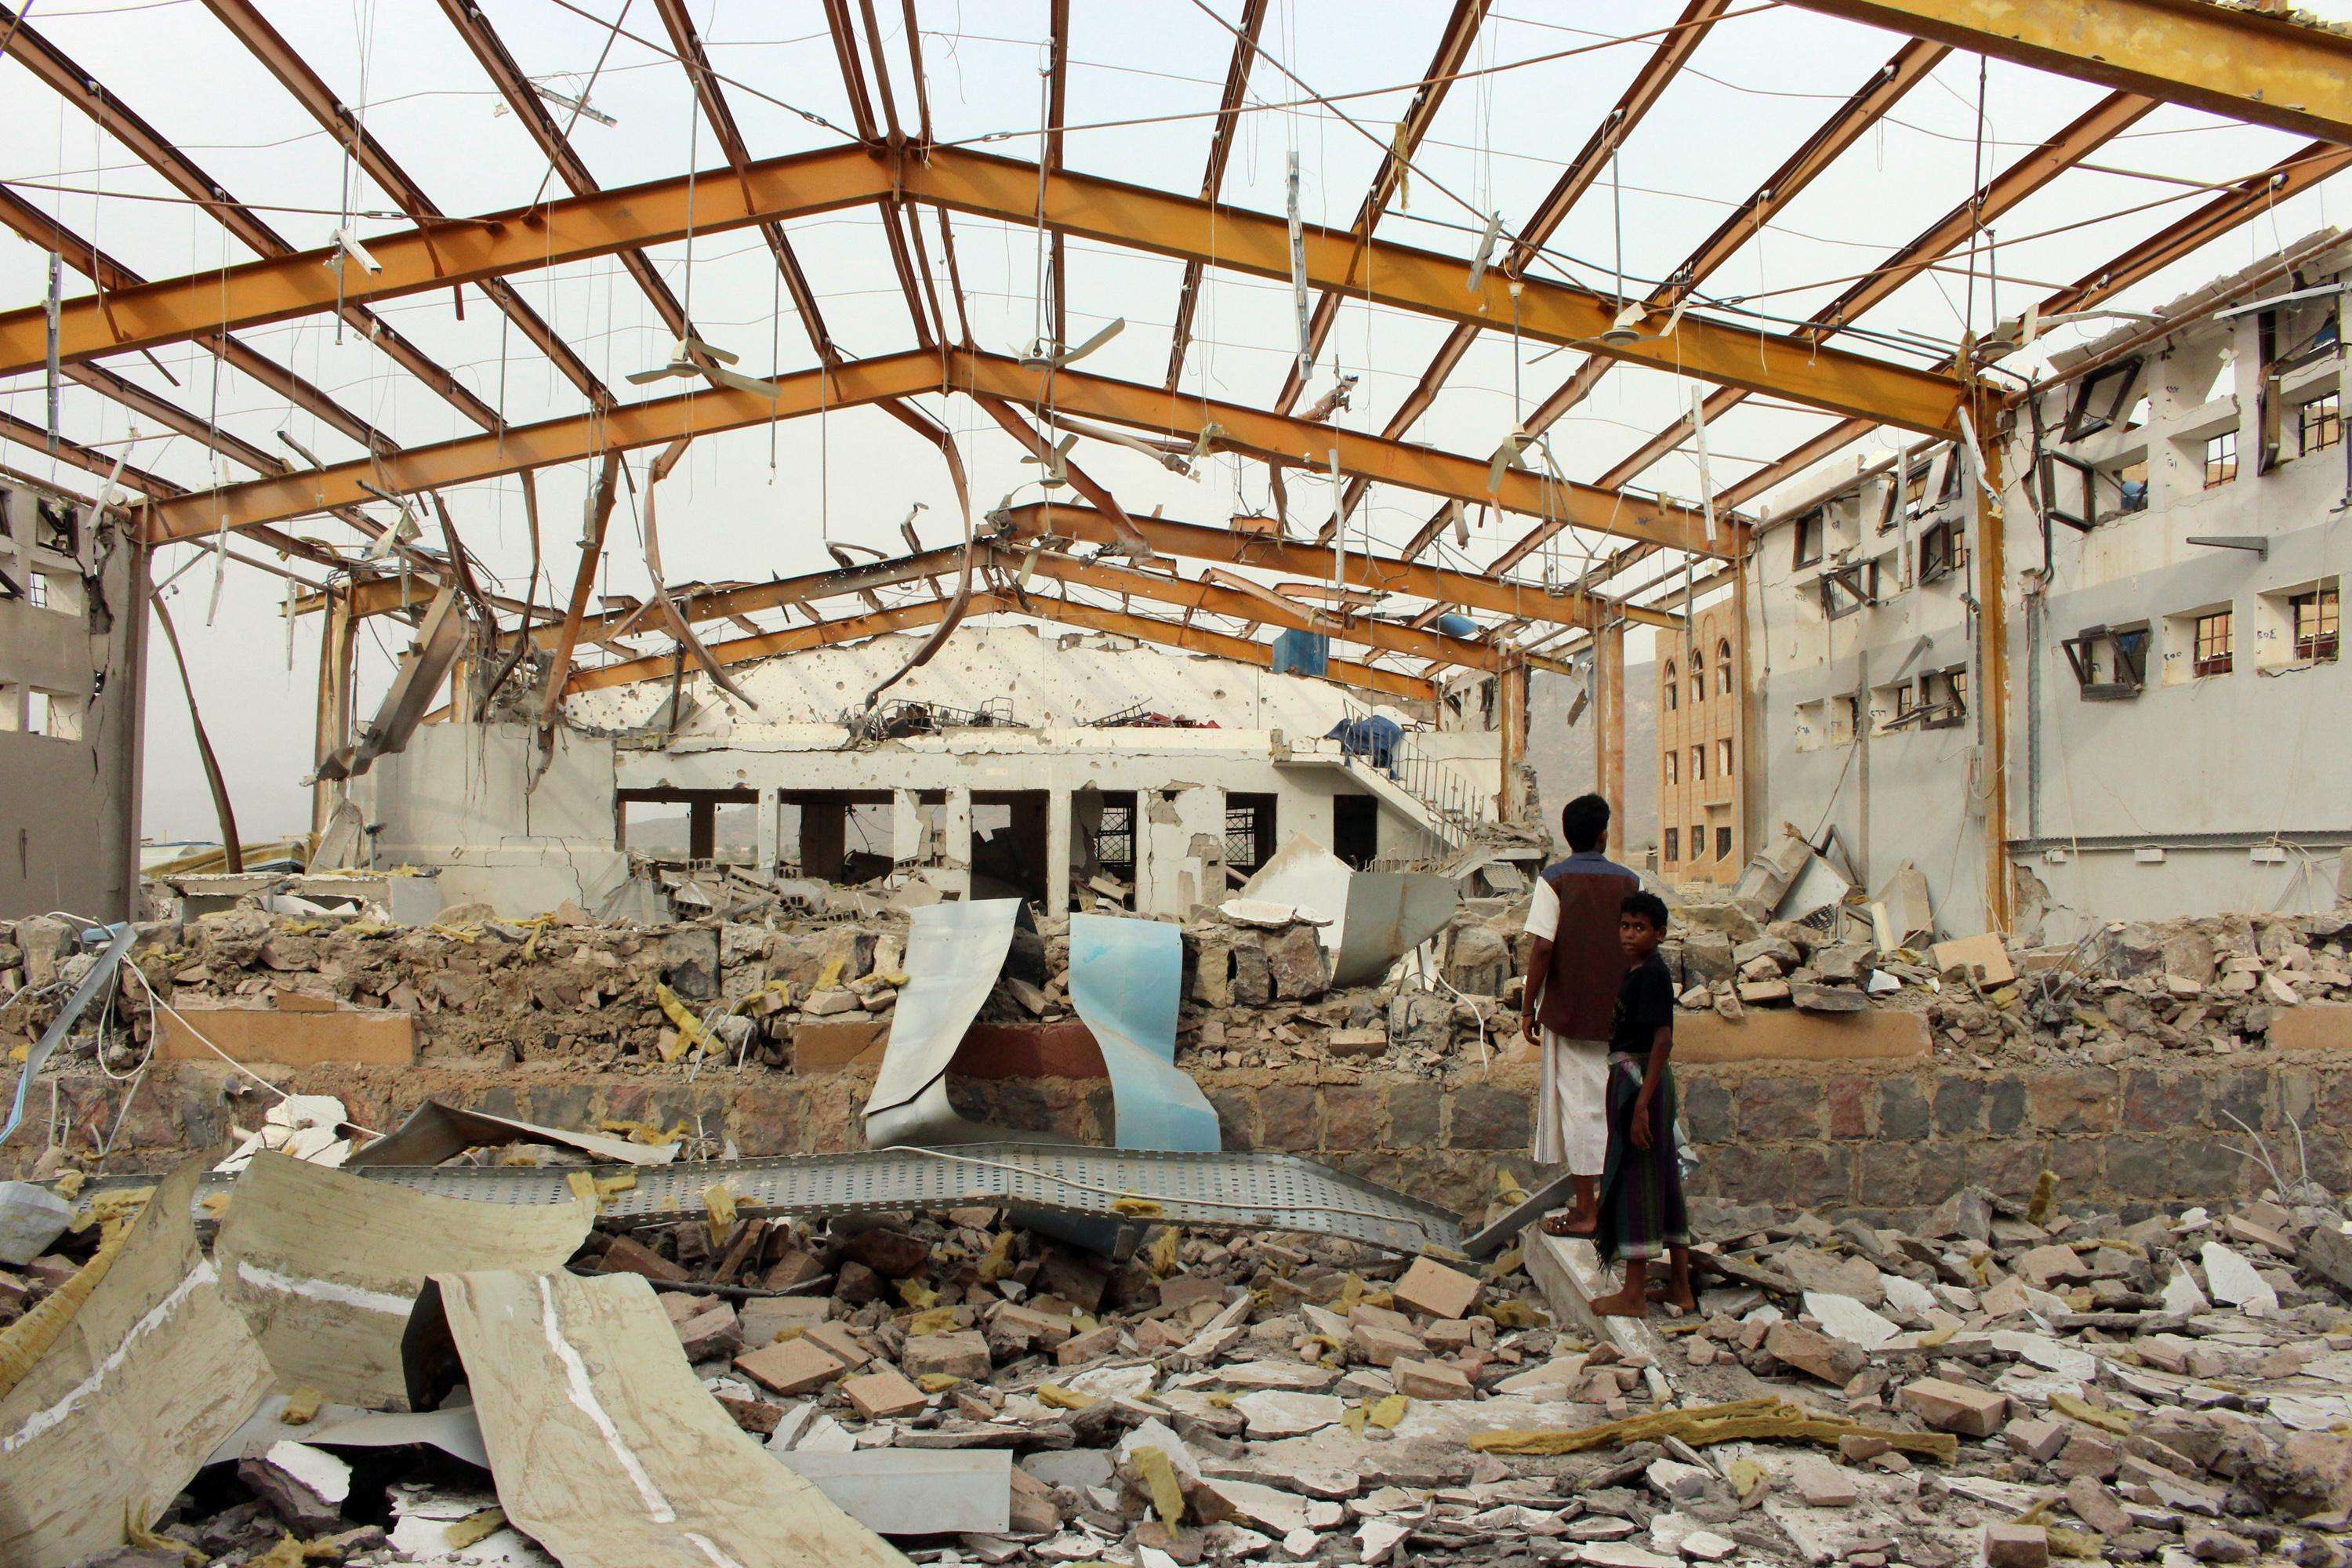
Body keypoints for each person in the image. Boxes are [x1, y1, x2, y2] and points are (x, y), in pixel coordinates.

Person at [1519, 793, 1639, 1238]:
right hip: (1621, 1013)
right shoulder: (1630, 882)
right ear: (1603, 832)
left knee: (1582, 1111)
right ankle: (1611, 1205)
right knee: (1615, 1109)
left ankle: (1588, 1210)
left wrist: (1528, 1005)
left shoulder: (1555, 880)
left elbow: (1543, 947)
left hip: (1571, 1013)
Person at [1588, 890, 1694, 1318]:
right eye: (1626, 926)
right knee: (1664, 1178)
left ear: (1659, 933)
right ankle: (1681, 1288)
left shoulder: (1651, 975)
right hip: (1639, 1082)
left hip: (1641, 1085)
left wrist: (1641, 1106)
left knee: (1635, 1180)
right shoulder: (1637, 970)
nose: (1630, 935)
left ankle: (1632, 1294)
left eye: (1640, 928)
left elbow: (1663, 1040)